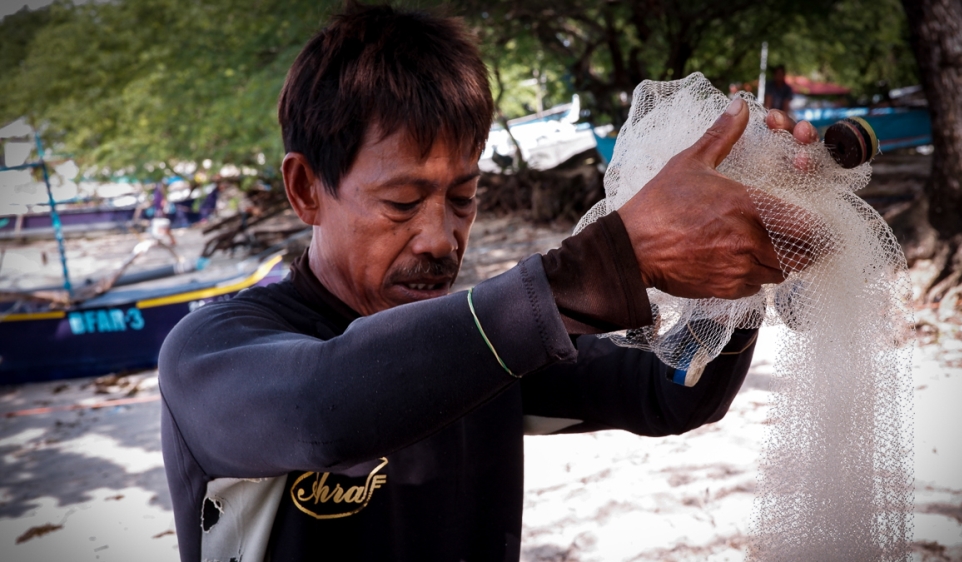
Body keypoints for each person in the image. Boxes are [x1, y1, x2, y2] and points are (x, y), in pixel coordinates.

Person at [158, 4, 820, 561]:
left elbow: (671, 394)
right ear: (305, 190)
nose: (441, 239)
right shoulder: (211, 353)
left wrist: (732, 273)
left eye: (463, 197)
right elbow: (320, 411)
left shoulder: (484, 346)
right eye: (401, 203)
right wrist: (606, 261)